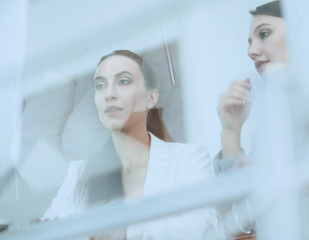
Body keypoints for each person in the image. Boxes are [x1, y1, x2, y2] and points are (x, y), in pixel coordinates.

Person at [41, 50, 213, 239]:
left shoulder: (189, 159)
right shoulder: (79, 172)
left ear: (151, 98)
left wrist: (115, 229)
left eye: (123, 81)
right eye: (100, 85)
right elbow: (48, 232)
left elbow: (192, 231)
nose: (109, 94)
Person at [213, 1, 287, 239]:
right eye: (249, 42)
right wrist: (231, 131)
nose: (251, 51)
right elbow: (238, 223)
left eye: (264, 34)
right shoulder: (269, 133)